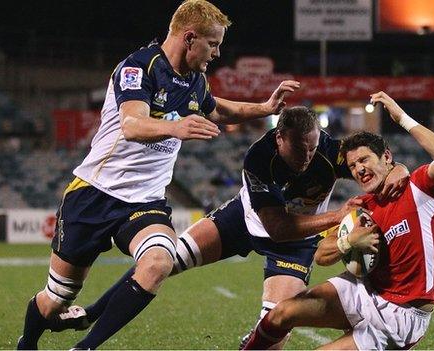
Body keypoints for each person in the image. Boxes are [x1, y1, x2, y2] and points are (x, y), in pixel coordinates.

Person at [17, 1, 301, 349]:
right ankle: (26, 344)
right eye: (213, 44)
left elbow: (218, 108)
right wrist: (176, 126)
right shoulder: (138, 67)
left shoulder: (195, 80)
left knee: (158, 261)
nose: (217, 52)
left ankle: (85, 348)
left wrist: (265, 108)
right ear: (189, 37)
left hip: (144, 202)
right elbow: (132, 124)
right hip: (94, 194)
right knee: (56, 298)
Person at [57, 106, 410, 348]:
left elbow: (374, 165)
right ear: (279, 139)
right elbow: (277, 226)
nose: (307, 158)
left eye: (312, 148)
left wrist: (399, 170)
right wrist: (337, 216)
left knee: (276, 326)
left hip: (297, 240)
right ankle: (92, 313)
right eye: (299, 149)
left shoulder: (329, 152)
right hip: (246, 220)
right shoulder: (258, 158)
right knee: (164, 259)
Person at [242, 91, 434, 350]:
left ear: (387, 157)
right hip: (363, 290)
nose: (358, 169)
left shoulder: (420, 187)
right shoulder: (362, 207)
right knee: (281, 314)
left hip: (401, 315)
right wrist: (348, 241)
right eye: (352, 165)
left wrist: (401, 118)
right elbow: (321, 255)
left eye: (364, 160)